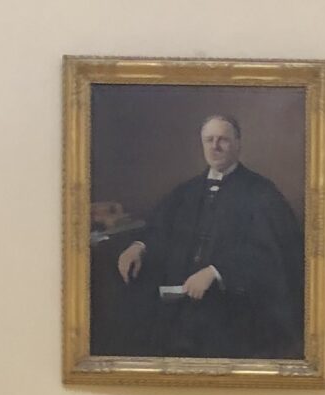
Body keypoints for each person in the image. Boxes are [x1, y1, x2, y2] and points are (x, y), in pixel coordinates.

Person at [110, 112, 304, 359]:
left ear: (238, 143)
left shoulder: (262, 194)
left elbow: (272, 253)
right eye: (209, 140)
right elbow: (160, 227)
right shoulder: (187, 191)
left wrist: (216, 272)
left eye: (222, 139)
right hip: (180, 304)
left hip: (233, 307)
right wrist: (138, 246)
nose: (215, 146)